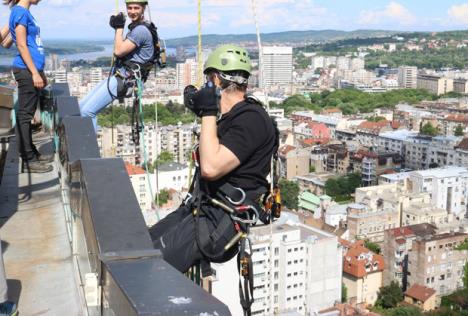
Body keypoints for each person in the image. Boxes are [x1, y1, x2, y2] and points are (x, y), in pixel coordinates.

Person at [149, 44, 278, 273]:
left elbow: (210, 167)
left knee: (151, 268)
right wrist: (206, 110)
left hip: (218, 221)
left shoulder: (252, 119)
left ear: (217, 79)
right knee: (143, 246)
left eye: (208, 80)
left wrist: (207, 110)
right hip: (201, 209)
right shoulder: (231, 117)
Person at [80, 0, 156, 130]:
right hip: (120, 76)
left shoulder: (140, 31)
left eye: (136, 8)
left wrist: (119, 28)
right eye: (129, 8)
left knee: (87, 112)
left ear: (143, 9)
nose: (132, 11)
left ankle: (88, 148)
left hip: (125, 79)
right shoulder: (139, 27)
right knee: (81, 107)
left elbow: (118, 51)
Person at [6, 0, 53, 173]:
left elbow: (7, 43)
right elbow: (21, 44)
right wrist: (34, 72)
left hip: (31, 69)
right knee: (25, 116)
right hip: (26, 70)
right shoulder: (20, 13)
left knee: (26, 114)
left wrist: (40, 72)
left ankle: (31, 152)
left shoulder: (22, 12)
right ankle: (28, 159)